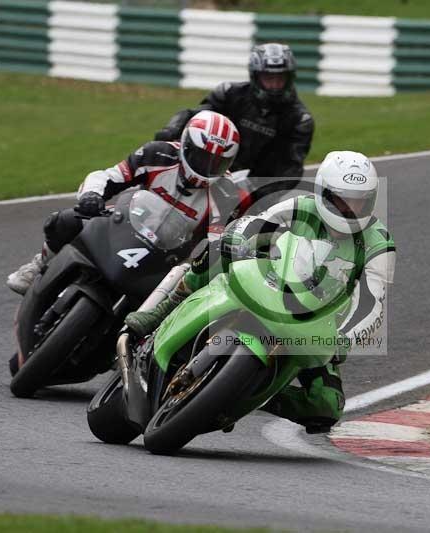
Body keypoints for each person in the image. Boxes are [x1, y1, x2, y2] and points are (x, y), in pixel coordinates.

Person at [123, 151, 396, 434]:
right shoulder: (301, 207)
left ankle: (243, 395)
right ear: (323, 193)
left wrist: (345, 340)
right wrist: (239, 241)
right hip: (271, 283)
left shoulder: (379, 243)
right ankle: (161, 312)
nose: (351, 208)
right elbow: (256, 224)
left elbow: (373, 304)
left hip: (315, 325)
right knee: (217, 249)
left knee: (326, 406)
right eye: (342, 200)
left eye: (360, 201)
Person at [6, 111, 249, 295]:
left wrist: (196, 263)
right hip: (128, 224)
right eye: (201, 157)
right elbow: (108, 176)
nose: (206, 167)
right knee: (65, 221)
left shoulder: (225, 193)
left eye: (215, 162)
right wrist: (92, 195)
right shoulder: (158, 154)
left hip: (170, 260)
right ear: (186, 145)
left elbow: (216, 242)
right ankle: (40, 264)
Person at [154, 43, 314, 179]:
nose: (274, 85)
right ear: (256, 76)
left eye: (279, 79)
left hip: (254, 184)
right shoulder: (229, 93)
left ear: (289, 78)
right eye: (268, 78)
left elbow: (291, 169)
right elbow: (195, 117)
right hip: (209, 165)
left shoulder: (300, 120)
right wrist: (170, 130)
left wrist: (254, 194)